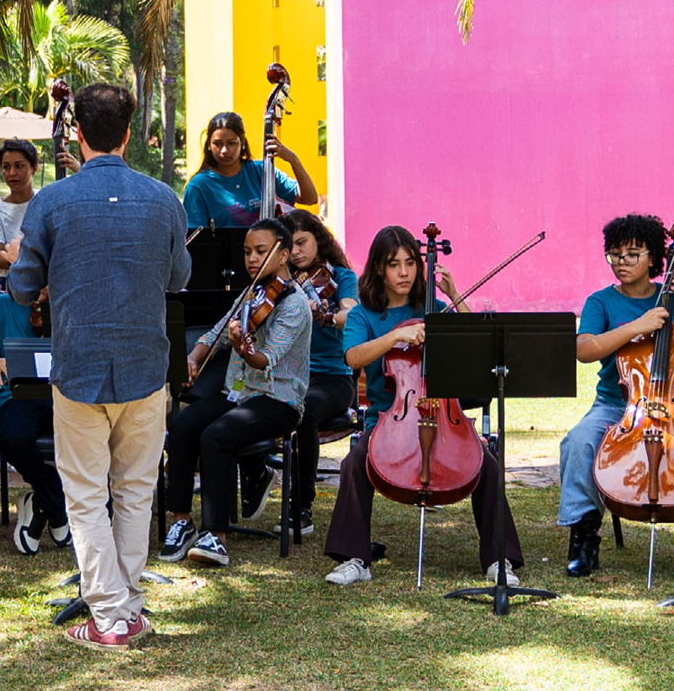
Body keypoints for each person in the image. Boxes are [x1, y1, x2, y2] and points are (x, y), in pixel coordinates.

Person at [9, 83, 190, 650]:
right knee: (136, 490)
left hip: (80, 365)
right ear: (129, 133)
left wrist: (23, 263)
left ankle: (111, 616)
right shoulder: (165, 199)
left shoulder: (50, 203)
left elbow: (21, 288)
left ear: (78, 134)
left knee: (86, 494)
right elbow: (178, 281)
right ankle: (126, 606)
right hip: (145, 364)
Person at [322, 224, 525, 587]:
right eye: (393, 264)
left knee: (486, 465)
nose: (404, 272)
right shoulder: (363, 316)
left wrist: (455, 294)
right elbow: (353, 357)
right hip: (392, 418)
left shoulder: (435, 308)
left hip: (444, 417)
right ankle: (356, 558)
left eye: (411, 263)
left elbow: (480, 347)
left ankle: (499, 560)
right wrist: (395, 336)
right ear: (379, 269)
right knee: (354, 461)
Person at [555, 214, 674, 580]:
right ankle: (584, 539)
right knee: (579, 443)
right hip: (618, 406)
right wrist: (637, 327)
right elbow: (585, 349)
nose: (622, 262)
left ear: (654, 258)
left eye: (632, 254)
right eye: (615, 255)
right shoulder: (601, 302)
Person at [158, 218, 313, 568]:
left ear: (284, 254)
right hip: (238, 396)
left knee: (217, 436)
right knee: (183, 426)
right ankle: (181, 521)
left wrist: (242, 348)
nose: (252, 259)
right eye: (247, 252)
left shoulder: (295, 305)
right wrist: (194, 357)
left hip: (279, 400)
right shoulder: (251, 293)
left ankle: (216, 535)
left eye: (261, 251)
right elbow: (214, 333)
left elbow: (265, 359)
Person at [0, 281, 70, 554]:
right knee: (12, 434)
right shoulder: (3, 305)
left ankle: (41, 503)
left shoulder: (72, 301)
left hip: (68, 397)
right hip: (16, 398)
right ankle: (57, 503)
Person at [284, 210, 358, 536]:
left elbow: (351, 313)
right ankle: (256, 481)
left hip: (333, 377)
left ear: (319, 240)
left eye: (302, 242)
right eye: (290, 245)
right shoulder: (282, 281)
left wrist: (326, 316)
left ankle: (301, 507)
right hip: (289, 374)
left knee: (307, 408)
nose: (296, 251)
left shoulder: (341, 277)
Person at [182, 109, 317, 230]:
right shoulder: (198, 187)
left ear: (242, 143)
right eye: (217, 144)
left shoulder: (261, 171)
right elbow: (196, 240)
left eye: (231, 143)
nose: (224, 150)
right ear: (209, 145)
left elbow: (309, 198)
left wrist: (293, 159)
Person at [0, 141, 39, 270]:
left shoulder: (46, 200)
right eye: (6, 167)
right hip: (10, 280)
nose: (12, 173)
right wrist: (29, 262)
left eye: (19, 166)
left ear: (34, 168)